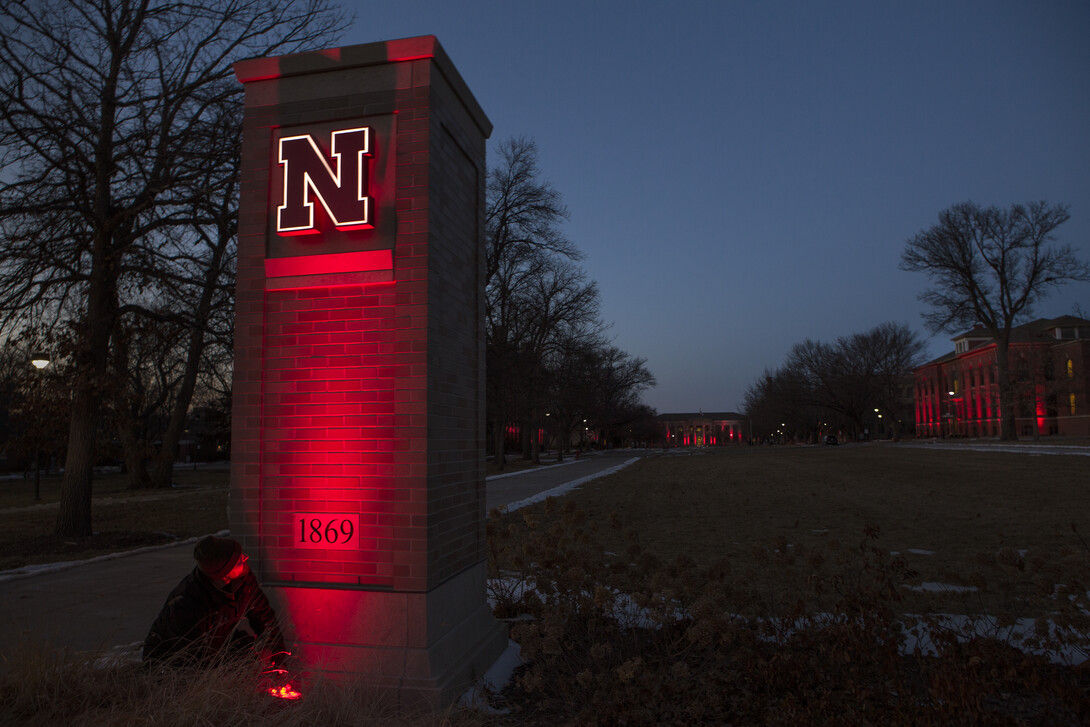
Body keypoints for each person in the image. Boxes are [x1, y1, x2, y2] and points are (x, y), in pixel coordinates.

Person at [142, 535, 287, 666]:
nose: (245, 558)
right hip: (171, 665)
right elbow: (192, 659)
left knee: (245, 645)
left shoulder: (243, 579)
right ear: (224, 574)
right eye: (238, 561)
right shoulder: (187, 604)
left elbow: (264, 616)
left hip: (215, 644)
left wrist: (277, 658)